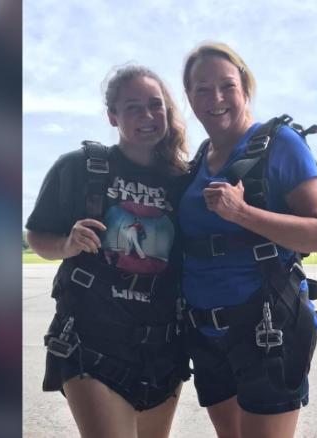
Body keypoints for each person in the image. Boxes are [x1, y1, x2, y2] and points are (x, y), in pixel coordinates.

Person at [178, 42, 317, 438]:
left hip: (266, 330)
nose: (215, 98)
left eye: (226, 85)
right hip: (207, 333)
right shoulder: (200, 158)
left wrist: (242, 213)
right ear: (190, 98)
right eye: (202, 88)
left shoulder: (280, 144)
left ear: (245, 88)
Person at [25, 65, 191, 438]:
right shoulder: (79, 168)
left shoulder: (183, 180)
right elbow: (37, 235)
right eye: (133, 107)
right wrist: (67, 245)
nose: (147, 116)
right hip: (91, 340)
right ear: (112, 116)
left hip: (162, 346)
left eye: (155, 105)